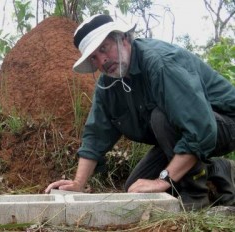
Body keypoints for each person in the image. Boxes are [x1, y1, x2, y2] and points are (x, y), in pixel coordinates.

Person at [45, 14, 235, 210]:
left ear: (124, 38)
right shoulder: (108, 84)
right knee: (135, 188)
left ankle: (195, 196)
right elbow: (96, 134)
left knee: (160, 118)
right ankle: (217, 171)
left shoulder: (160, 63)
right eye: (94, 57)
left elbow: (201, 128)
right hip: (183, 135)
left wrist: (163, 179)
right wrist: (78, 184)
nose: (102, 60)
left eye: (104, 48)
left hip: (222, 123)